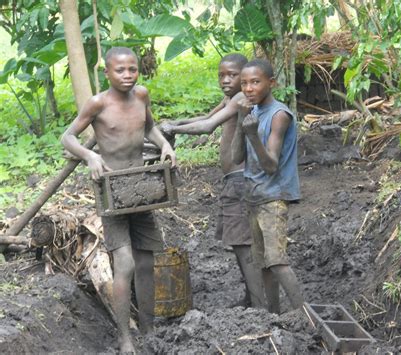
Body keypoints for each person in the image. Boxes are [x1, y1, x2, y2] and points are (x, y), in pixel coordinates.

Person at [61, 47, 176, 354]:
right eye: (120, 71)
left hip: (139, 188)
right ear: (107, 73)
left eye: (132, 69)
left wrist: (164, 145)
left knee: (147, 260)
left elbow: (150, 126)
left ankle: (149, 328)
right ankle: (125, 336)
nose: (127, 75)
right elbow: (67, 137)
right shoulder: (98, 103)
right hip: (111, 191)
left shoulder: (141, 96)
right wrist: (90, 155)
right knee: (123, 263)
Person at [160, 53, 265, 309]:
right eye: (222, 75)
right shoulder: (232, 99)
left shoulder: (241, 99)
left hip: (241, 181)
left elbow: (207, 128)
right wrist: (173, 122)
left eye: (232, 75)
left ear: (245, 75)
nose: (226, 80)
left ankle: (260, 305)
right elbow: (204, 118)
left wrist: (172, 130)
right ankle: (252, 299)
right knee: (240, 244)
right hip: (234, 180)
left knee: (243, 244)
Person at [231, 58, 304, 314]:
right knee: (263, 263)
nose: (249, 89)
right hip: (255, 197)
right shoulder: (252, 113)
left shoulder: (279, 115)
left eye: (255, 82)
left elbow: (271, 165)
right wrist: (242, 123)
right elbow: (235, 158)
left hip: (273, 197)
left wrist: (252, 133)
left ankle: (304, 316)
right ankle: (274, 315)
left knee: (276, 261)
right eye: (244, 84)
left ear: (271, 83)